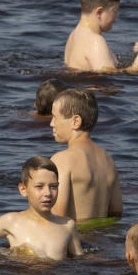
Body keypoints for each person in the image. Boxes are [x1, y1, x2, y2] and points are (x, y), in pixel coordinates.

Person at [49, 88, 122, 221]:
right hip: (102, 238)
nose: (51, 123)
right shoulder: (108, 159)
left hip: (76, 238)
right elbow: (116, 212)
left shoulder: (62, 160)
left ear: (76, 122)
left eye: (55, 117)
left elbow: (56, 217)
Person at [64, 0, 138, 73]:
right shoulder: (95, 41)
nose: (117, 16)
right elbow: (106, 80)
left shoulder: (74, 35)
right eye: (114, 11)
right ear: (99, 12)